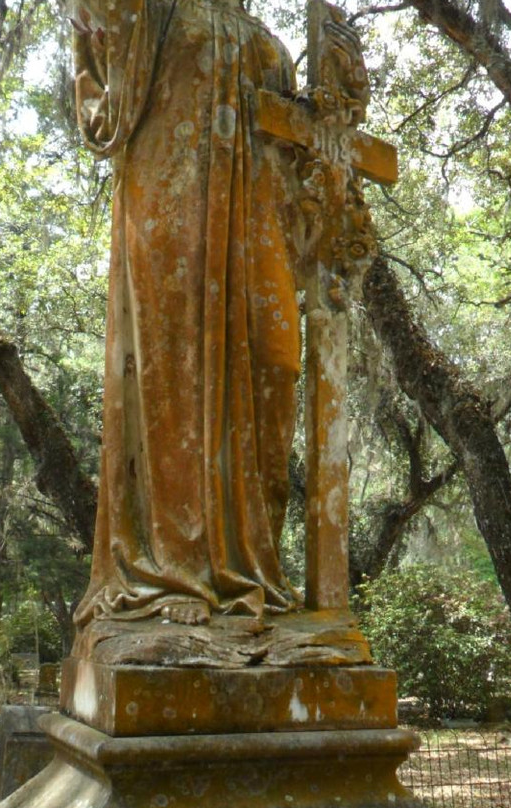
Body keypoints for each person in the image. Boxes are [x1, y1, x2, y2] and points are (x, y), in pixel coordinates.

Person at [70, 0, 304, 629]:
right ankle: (173, 567)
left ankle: (252, 567)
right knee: (174, 380)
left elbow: (300, 157)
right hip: (170, 213)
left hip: (253, 218)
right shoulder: (151, 9)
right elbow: (98, 87)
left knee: (275, 365)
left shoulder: (266, 41)